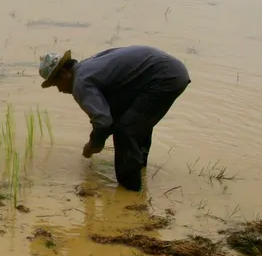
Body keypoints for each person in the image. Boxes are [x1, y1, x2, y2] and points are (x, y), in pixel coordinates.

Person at [39, 46, 190, 191]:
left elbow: (103, 121)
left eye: (56, 84)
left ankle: (129, 192)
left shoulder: (80, 82)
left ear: (65, 74)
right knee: (133, 120)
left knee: (125, 130)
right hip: (171, 70)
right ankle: (140, 168)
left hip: (163, 78)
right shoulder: (90, 65)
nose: (59, 90)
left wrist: (93, 144)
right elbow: (112, 113)